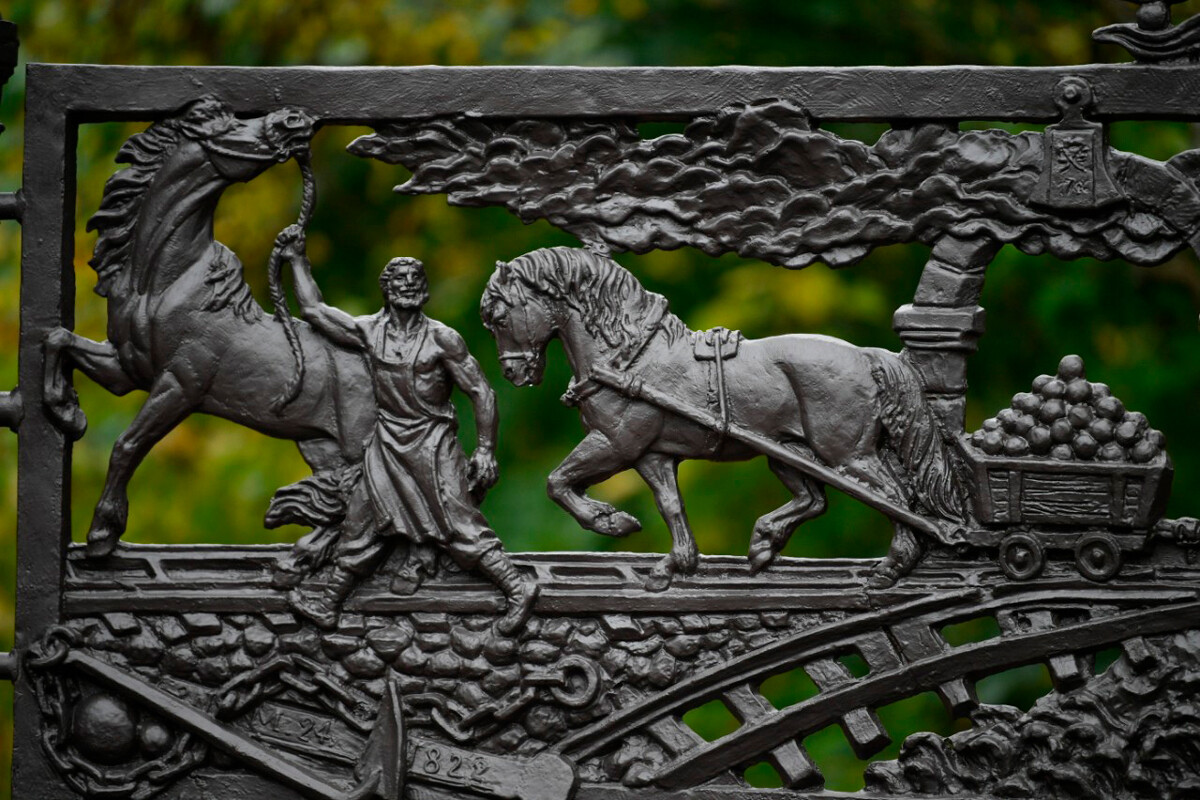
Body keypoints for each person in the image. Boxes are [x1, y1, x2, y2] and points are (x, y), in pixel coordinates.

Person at [276, 224, 537, 635]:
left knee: (461, 525)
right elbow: (314, 311)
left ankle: (518, 588)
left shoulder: (442, 339)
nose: (408, 285)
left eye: (416, 280)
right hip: (387, 445)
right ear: (386, 288)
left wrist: (485, 448)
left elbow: (482, 392)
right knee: (362, 522)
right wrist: (296, 260)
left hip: (433, 446)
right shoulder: (369, 331)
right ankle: (328, 603)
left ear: (426, 290)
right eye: (399, 279)